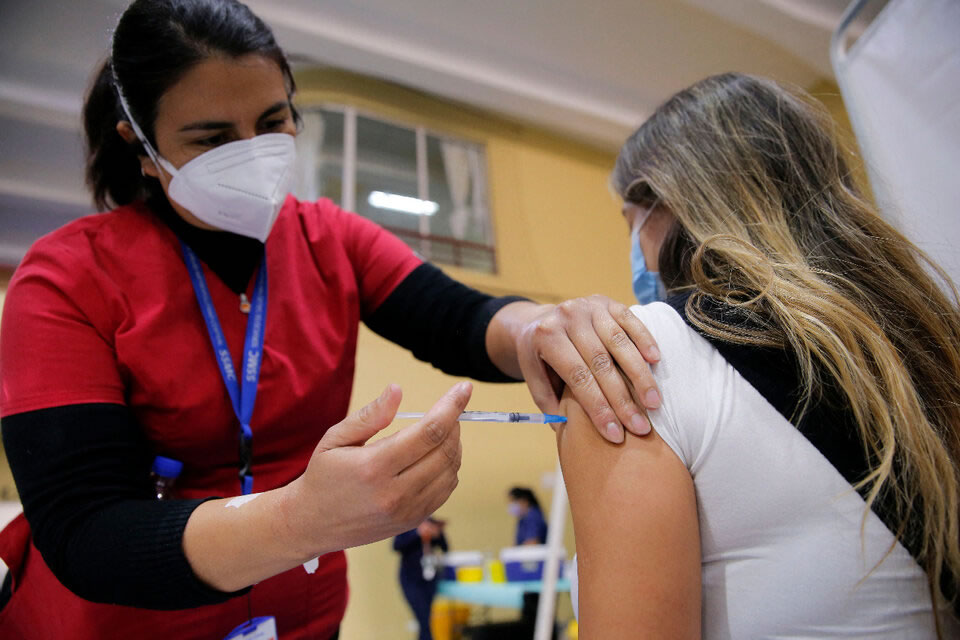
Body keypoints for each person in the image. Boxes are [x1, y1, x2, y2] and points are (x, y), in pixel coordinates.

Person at [0, 1, 666, 638]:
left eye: (273, 120)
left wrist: (541, 328)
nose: (253, 150)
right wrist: (297, 521)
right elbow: (86, 533)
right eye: (211, 138)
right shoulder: (64, 278)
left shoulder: (328, 240)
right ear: (141, 146)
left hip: (300, 616)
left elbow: (459, 319)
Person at [558, 73, 960, 639]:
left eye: (632, 225)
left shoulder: (635, 357)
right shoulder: (925, 341)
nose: (638, 254)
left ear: (668, 204)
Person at [393, 518, 448, 640]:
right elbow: (396, 546)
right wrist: (417, 533)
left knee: (427, 619)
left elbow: (445, 548)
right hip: (410, 579)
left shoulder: (431, 522)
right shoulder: (406, 524)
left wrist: (438, 533)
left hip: (429, 579)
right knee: (423, 619)